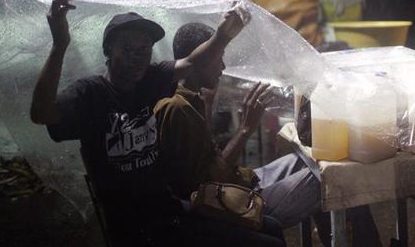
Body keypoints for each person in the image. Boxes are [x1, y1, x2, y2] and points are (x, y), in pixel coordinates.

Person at [29, 0, 252, 246]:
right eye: (127, 49)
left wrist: (223, 35)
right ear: (107, 51)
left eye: (144, 49)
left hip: (169, 212)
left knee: (269, 226)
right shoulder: (90, 94)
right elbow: (41, 114)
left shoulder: (150, 79)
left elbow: (193, 62)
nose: (138, 57)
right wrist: (60, 44)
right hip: (133, 228)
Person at [154, 22, 382, 246]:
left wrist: (208, 108)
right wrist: (245, 129)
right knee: (337, 180)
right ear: (200, 58)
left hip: (238, 181)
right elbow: (209, 185)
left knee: (312, 161)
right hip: (228, 206)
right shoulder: (178, 108)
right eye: (217, 57)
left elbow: (208, 160)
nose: (222, 66)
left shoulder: (193, 97)